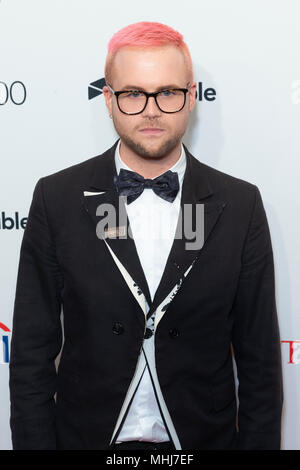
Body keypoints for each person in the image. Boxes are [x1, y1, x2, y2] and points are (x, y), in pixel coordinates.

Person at [9, 21, 283, 451]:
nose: (151, 110)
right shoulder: (57, 198)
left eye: (167, 92)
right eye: (133, 93)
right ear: (108, 100)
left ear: (191, 97)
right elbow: (30, 353)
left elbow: (260, 362)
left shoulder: (239, 203)